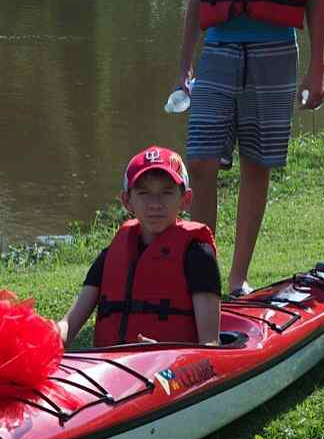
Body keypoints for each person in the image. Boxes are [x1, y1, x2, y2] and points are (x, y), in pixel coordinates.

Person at [175, 0, 324, 298]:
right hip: (219, 49)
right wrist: (184, 63)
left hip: (275, 51)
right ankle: (206, 274)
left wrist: (318, 67)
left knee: (256, 164)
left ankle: (238, 278)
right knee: (201, 160)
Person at [58, 146, 222, 347]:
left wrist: (163, 353)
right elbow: (68, 325)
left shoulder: (199, 256)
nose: (155, 204)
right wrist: (48, 334)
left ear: (185, 200)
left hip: (173, 365)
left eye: (166, 192)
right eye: (144, 193)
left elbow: (210, 345)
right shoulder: (110, 257)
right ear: (127, 201)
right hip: (111, 363)